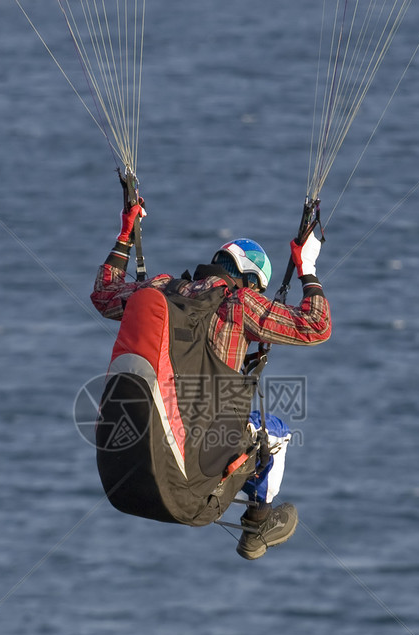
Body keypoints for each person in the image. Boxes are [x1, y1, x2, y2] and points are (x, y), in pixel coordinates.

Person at [91, 191, 332, 559]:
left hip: (122, 477)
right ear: (249, 281)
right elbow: (317, 326)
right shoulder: (240, 303)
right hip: (190, 488)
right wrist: (308, 268)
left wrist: (126, 234)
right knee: (277, 432)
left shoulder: (160, 287)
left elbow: (105, 293)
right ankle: (258, 524)